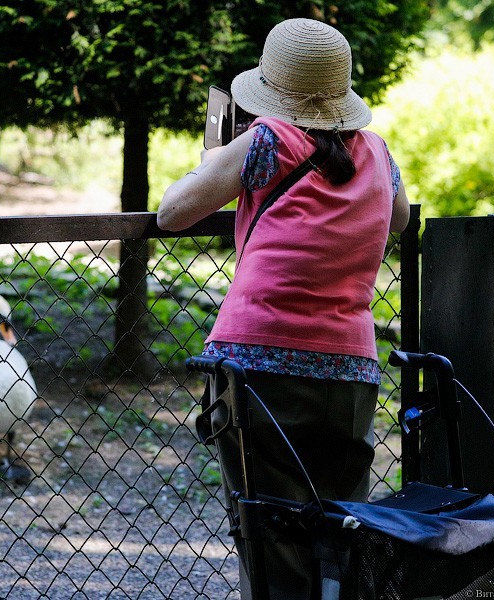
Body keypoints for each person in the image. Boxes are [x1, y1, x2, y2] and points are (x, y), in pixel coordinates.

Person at [158, 17, 410, 600]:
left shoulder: (267, 141)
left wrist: (214, 154)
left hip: (258, 367)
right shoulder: (376, 151)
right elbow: (397, 219)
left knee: (269, 533)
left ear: (271, 91)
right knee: (341, 529)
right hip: (349, 369)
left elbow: (174, 212)